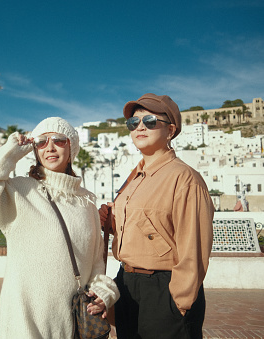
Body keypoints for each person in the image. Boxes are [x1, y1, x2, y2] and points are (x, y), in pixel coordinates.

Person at [0, 117, 119, 338]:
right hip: (26, 327)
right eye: (41, 141)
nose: (50, 147)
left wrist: (104, 292)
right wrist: (12, 150)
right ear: (34, 148)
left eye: (58, 140)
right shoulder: (20, 192)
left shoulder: (87, 203)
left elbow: (96, 264)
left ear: (71, 148)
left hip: (74, 327)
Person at [99, 93, 214, 339]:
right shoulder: (133, 179)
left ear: (170, 130)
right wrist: (110, 221)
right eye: (134, 123)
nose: (140, 127)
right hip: (128, 285)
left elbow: (194, 246)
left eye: (150, 121)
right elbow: (149, 227)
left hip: (164, 290)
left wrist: (178, 303)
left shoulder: (184, 178)